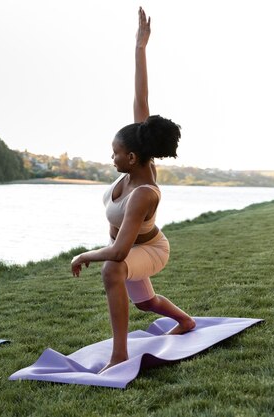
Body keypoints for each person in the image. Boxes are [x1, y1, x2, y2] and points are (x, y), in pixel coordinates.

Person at [70, 7, 195, 373]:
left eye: (116, 153)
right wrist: (140, 49)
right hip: (136, 246)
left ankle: (119, 354)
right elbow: (142, 101)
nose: (111, 157)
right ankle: (186, 321)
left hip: (150, 249)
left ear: (134, 156)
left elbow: (122, 250)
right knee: (145, 302)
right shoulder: (137, 160)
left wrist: (84, 255)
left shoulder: (144, 191)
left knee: (113, 269)